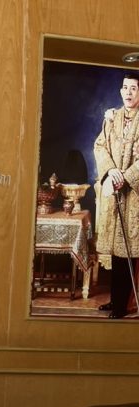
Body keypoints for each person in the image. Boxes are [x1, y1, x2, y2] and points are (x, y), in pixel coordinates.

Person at [93, 71, 139, 319]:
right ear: (120, 91)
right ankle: (116, 300)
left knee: (130, 252)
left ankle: (125, 304)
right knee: (116, 252)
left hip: (134, 197)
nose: (128, 93)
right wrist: (111, 171)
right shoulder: (112, 118)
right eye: (125, 87)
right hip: (115, 190)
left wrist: (126, 177)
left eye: (134, 88)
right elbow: (100, 145)